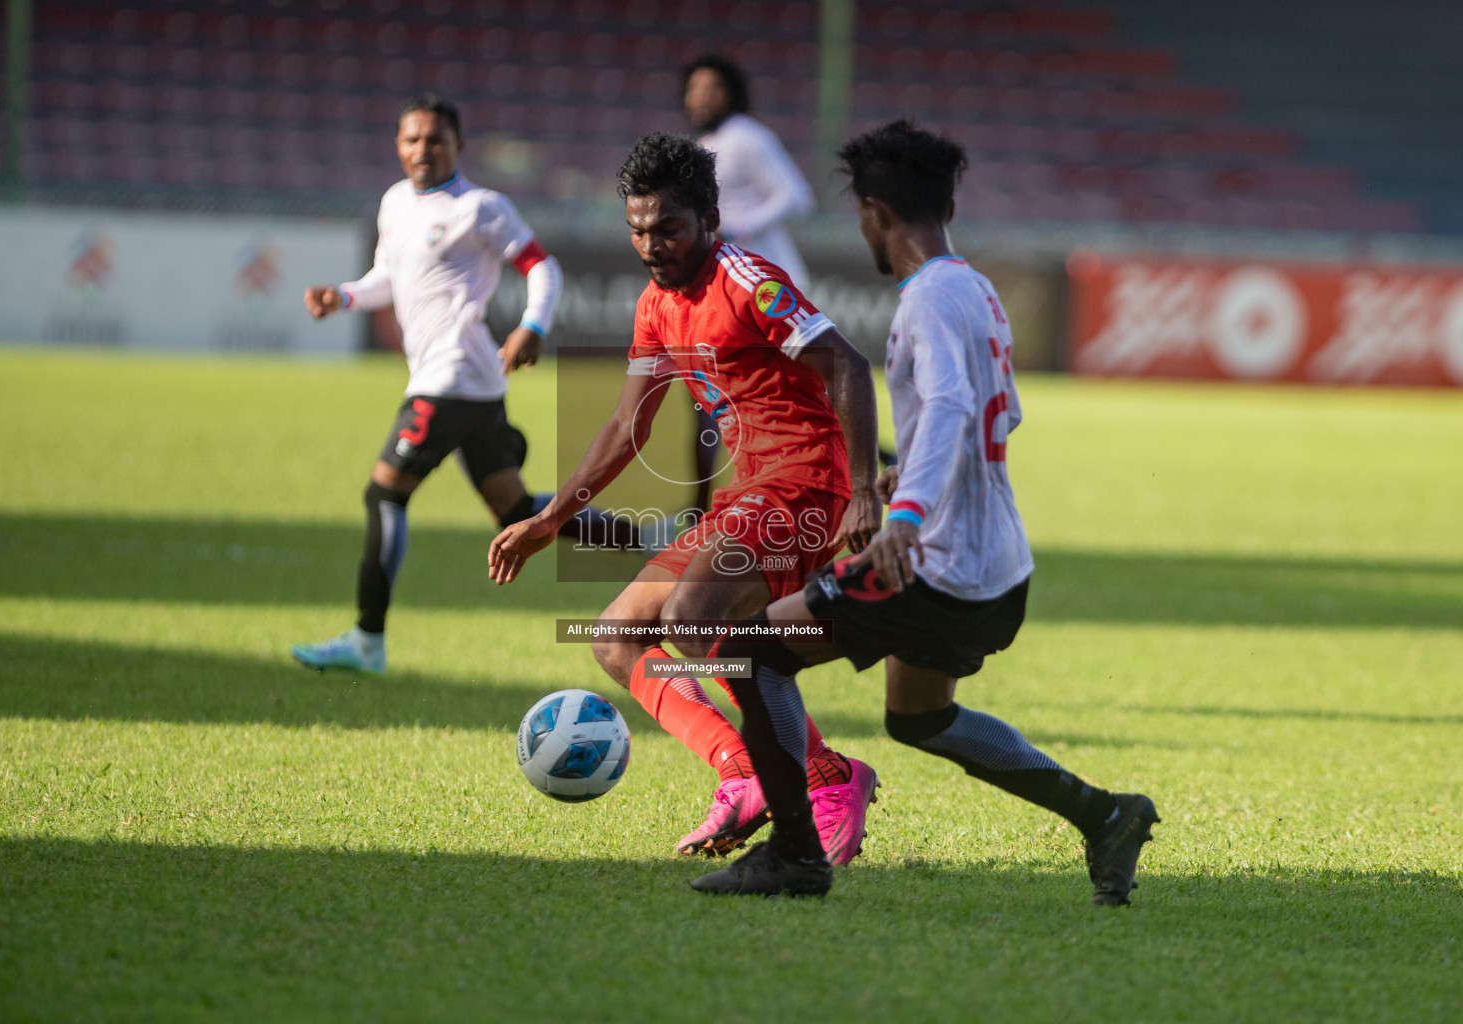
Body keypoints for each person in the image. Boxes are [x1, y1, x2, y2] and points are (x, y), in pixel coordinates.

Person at [688, 121, 1160, 904]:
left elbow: (945, 406)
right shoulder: (976, 290)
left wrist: (902, 512)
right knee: (918, 719)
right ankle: (1104, 814)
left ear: (874, 211)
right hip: (998, 571)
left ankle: (797, 856)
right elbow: (997, 418)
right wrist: (908, 479)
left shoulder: (926, 301)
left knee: (753, 651)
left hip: (932, 566)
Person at [488, 133, 882, 865]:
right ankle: (742, 775)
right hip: (749, 495)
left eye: (667, 227)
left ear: (708, 218)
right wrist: (551, 518)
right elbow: (627, 423)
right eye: (638, 229)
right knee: (615, 636)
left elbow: (848, 361)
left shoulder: (748, 281)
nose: (651, 244)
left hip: (805, 486)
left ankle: (826, 778)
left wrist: (862, 492)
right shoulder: (655, 305)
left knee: (691, 615)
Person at [292, 94, 633, 675]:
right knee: (515, 509)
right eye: (411, 140)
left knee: (384, 493)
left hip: (450, 376)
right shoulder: (395, 202)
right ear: (398, 145)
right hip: (469, 384)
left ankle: (367, 641)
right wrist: (343, 296)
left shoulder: (481, 207)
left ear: (457, 146)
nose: (422, 150)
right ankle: (649, 537)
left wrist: (531, 326)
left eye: (434, 139)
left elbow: (541, 267)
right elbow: (389, 279)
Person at [682, 55, 817, 513]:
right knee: (713, 396)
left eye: (711, 88)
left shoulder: (748, 138)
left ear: (732, 93)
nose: (699, 97)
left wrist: (738, 227)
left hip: (769, 293)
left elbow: (798, 196)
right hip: (734, 294)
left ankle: (707, 511)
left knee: (763, 402)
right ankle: (702, 510)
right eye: (693, 88)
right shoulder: (708, 144)